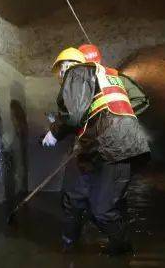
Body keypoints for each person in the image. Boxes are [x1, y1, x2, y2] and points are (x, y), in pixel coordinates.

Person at [41, 46, 151, 255]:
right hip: (119, 144)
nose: (61, 76)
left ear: (66, 67)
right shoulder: (112, 76)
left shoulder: (77, 72)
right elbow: (140, 100)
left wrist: (54, 133)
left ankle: (120, 251)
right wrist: (112, 117)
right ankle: (72, 239)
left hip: (108, 144)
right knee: (81, 195)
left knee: (101, 209)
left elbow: (72, 116)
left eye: (61, 70)